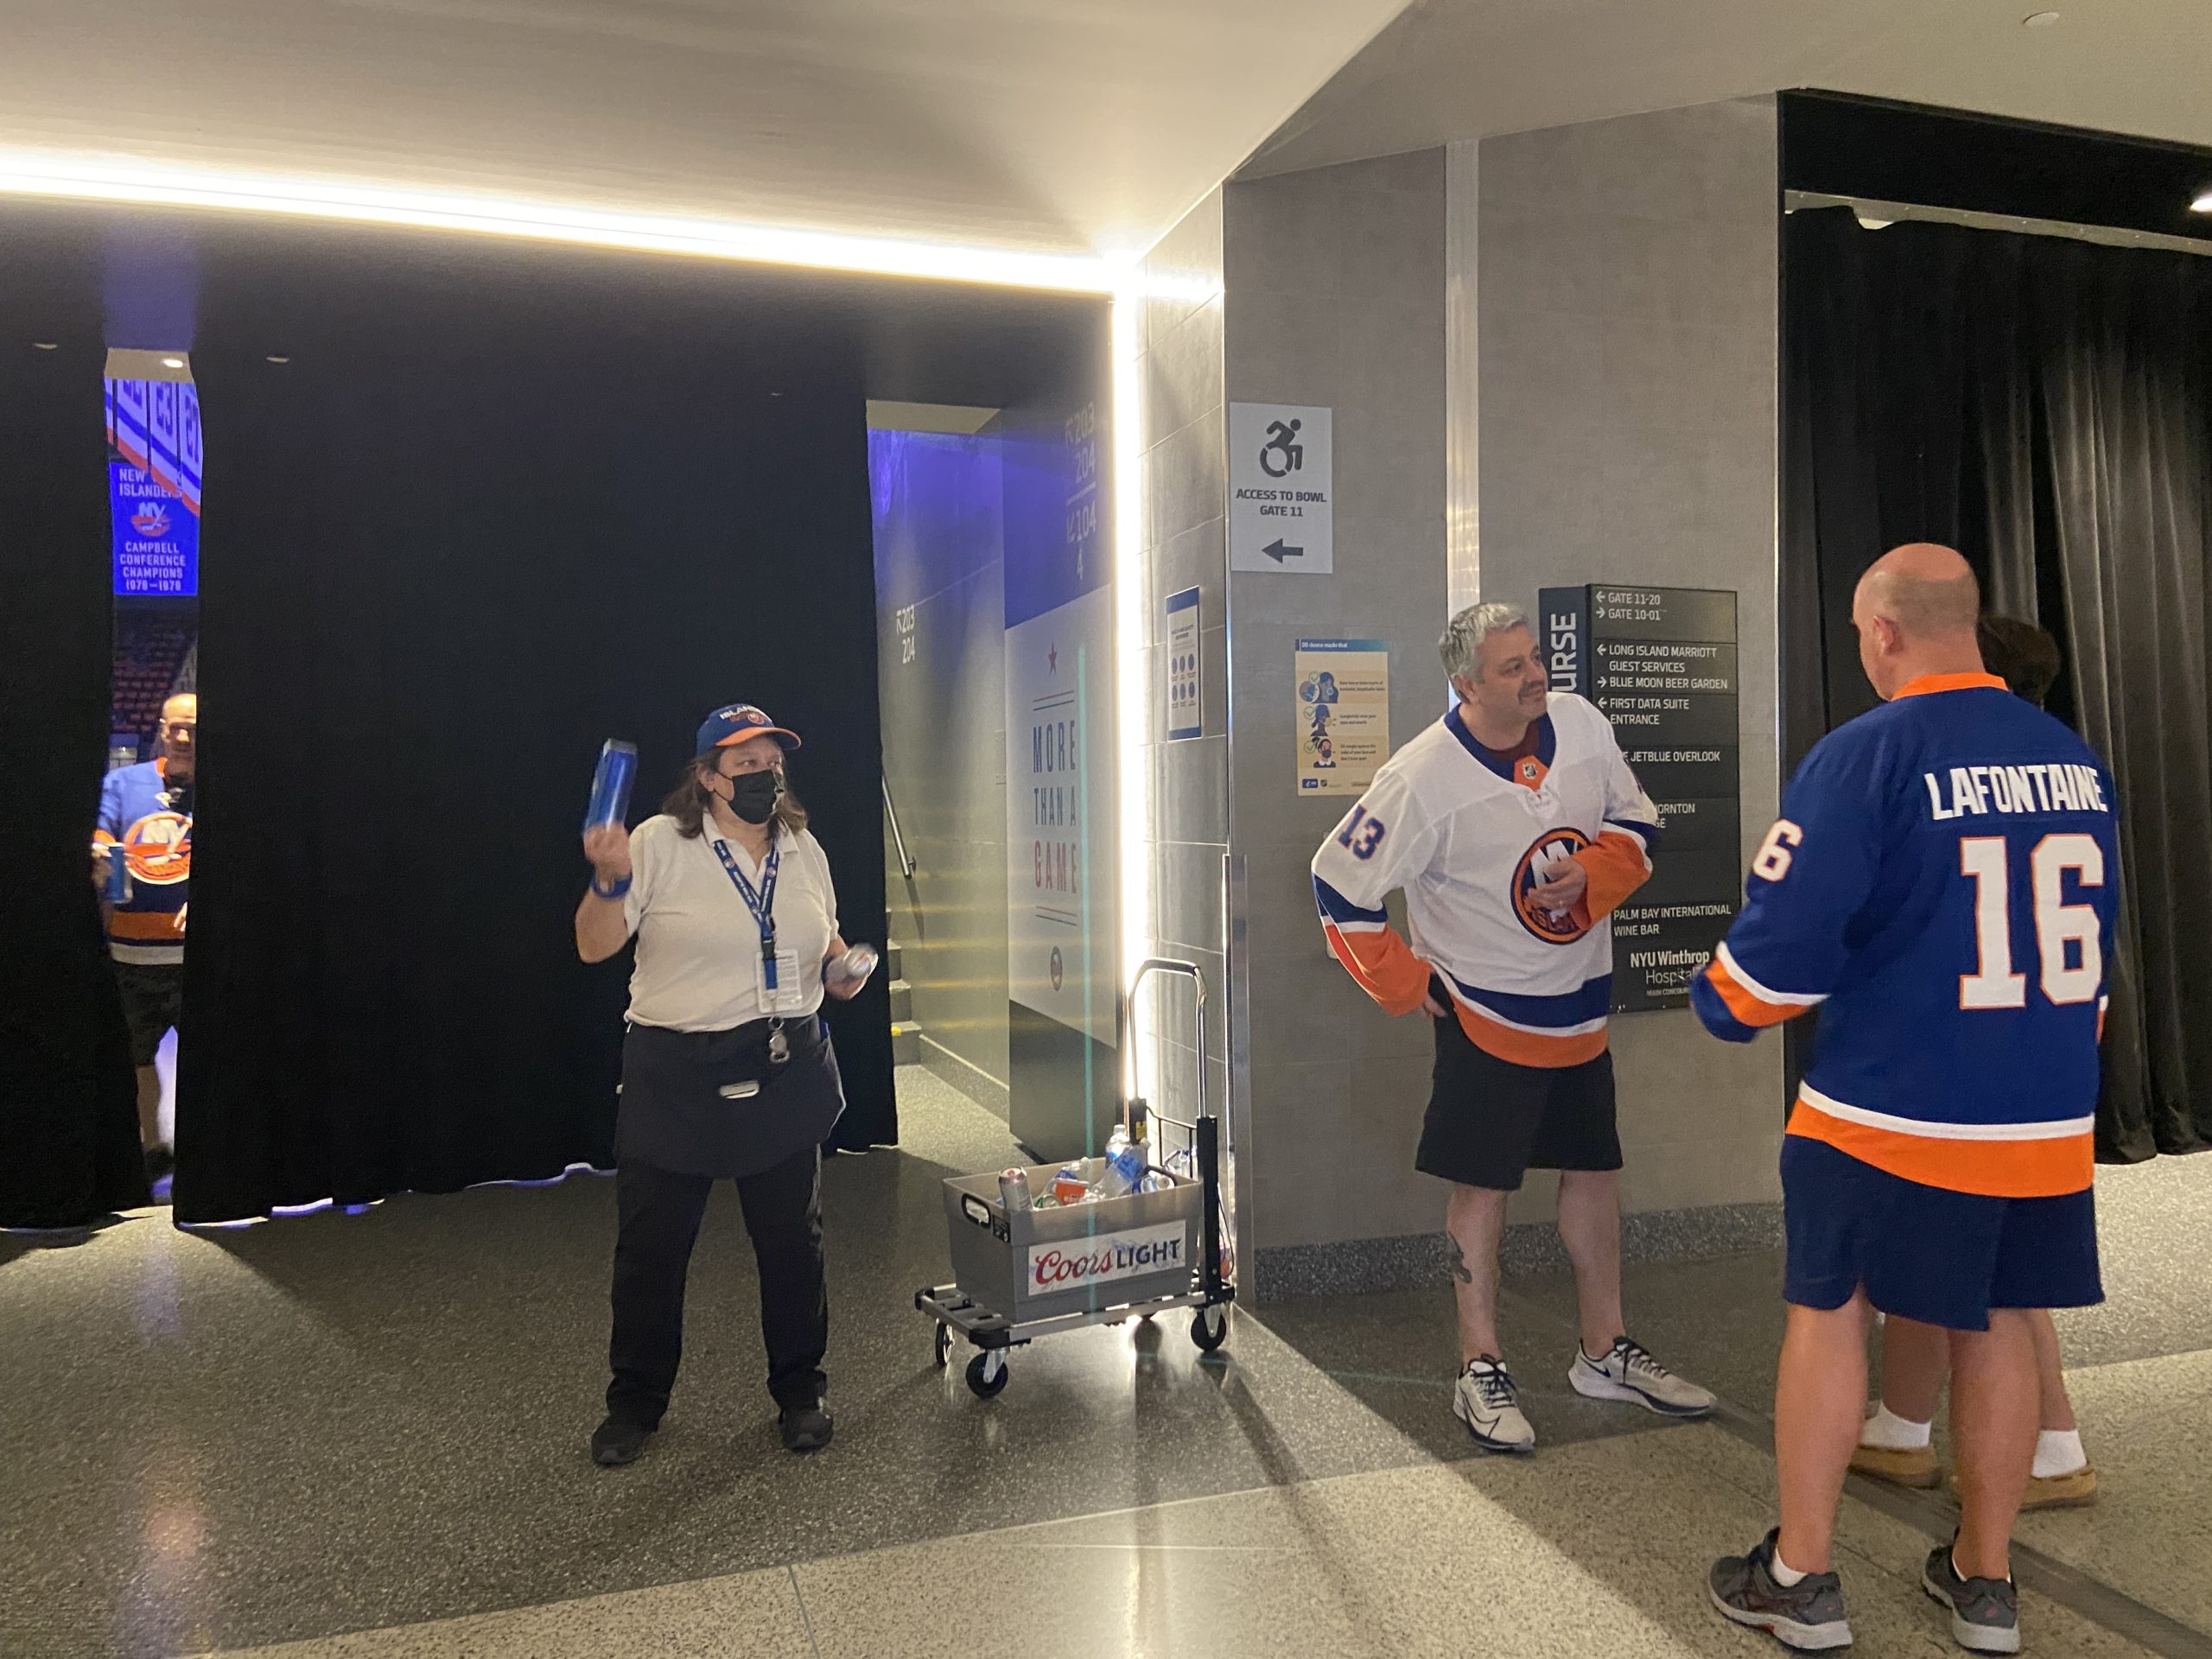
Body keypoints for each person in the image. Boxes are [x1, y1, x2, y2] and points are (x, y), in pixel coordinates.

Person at [1697, 547, 2115, 1654]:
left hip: (1889, 1110)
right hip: (2043, 1107)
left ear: (1882, 631)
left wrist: (1720, 1001)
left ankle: (1800, 1577)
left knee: (1829, 1309)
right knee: (2000, 1321)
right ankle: (1986, 1582)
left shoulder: (1866, 753)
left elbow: (1779, 952)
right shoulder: (2072, 758)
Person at [1311, 601, 1713, 1454]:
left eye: (1534, 658)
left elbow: (1637, 823)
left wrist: (1595, 872)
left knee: (1594, 1171)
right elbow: (1337, 883)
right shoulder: (1422, 777)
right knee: (1482, 1187)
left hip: (1580, 1005)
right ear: (1465, 685)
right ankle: (1480, 1365)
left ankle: (1603, 1350)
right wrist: (1405, 980)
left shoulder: (1581, 724)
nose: (1535, 676)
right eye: (1511, 667)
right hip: (1486, 1014)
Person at [575, 703, 873, 1466]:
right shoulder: (656, 843)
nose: (764, 776)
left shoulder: (803, 849)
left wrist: (842, 969)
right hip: (676, 1075)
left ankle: (801, 1392)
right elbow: (592, 946)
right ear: (708, 778)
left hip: (783, 1067)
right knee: (652, 1251)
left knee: (793, 1244)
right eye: (745, 765)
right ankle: (635, 1403)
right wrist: (609, 880)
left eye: (772, 763)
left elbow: (824, 938)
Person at [1853, 615, 2096, 1513]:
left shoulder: (1942, 780)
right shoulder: (2068, 773)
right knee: (1955, 1259)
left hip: (1967, 1056)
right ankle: (1905, 1424)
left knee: (1993, 1276)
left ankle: (2050, 1447)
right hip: (2046, 1049)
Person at [92, 691, 195, 1184]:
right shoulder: (123, 783)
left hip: (197, 958)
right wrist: (98, 859)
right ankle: (153, 1149)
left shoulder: (230, 788)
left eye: (193, 728)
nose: (184, 737)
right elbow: (100, 838)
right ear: (161, 729)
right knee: (136, 1059)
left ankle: (206, 1149)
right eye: (175, 727)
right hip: (129, 955)